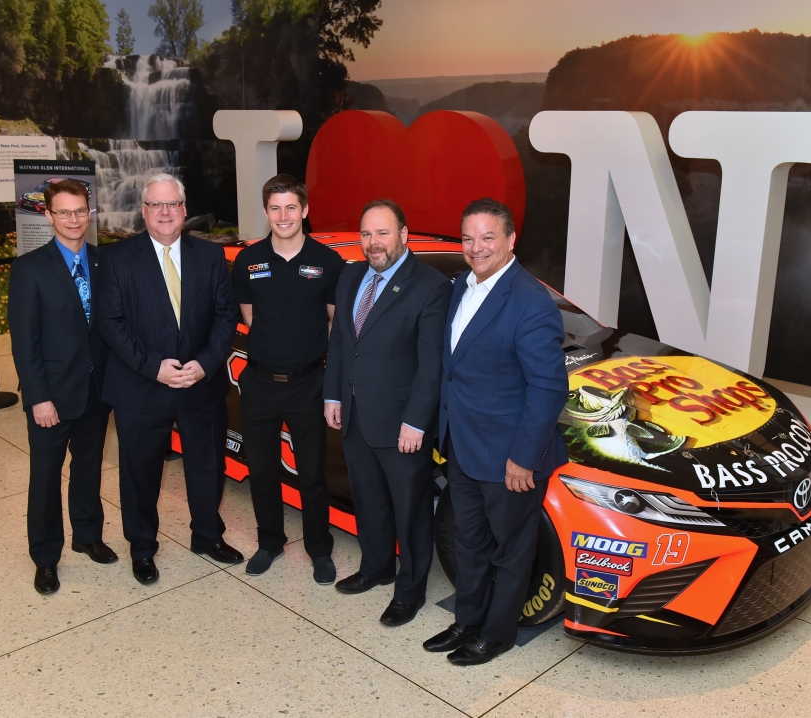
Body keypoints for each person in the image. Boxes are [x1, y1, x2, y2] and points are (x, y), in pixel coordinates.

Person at [423, 198, 568, 666]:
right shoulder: (458, 289)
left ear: (510, 240)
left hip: (510, 459)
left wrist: (524, 457)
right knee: (468, 543)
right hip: (462, 449)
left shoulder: (530, 301)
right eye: (467, 237)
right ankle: (468, 620)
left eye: (487, 237)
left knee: (511, 551)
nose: (476, 247)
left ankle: (498, 633)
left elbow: (548, 388)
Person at [97, 174, 242, 585]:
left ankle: (207, 536)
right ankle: (142, 548)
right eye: (155, 205)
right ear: (144, 212)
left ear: (183, 210)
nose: (164, 212)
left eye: (172, 205)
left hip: (200, 382)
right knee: (140, 473)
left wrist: (207, 363)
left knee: (208, 465)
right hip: (140, 385)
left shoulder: (211, 257)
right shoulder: (117, 259)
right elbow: (110, 322)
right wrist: (153, 367)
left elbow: (225, 315)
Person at [324, 199, 452, 626]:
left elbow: (432, 364)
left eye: (382, 233)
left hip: (403, 426)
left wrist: (416, 421)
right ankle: (376, 567)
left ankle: (410, 590)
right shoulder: (350, 276)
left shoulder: (431, 286)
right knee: (369, 500)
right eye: (366, 234)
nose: (373, 243)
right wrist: (333, 396)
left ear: (403, 234)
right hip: (356, 415)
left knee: (410, 510)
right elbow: (343, 343)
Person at [232, 174, 345, 584]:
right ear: (266, 212)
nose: (283, 216)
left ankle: (319, 548)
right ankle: (269, 543)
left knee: (312, 473)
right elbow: (248, 316)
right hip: (259, 383)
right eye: (275, 208)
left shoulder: (328, 262)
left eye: (291, 207)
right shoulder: (249, 260)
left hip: (307, 383)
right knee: (261, 470)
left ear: (305, 210)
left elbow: (334, 322)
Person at [9, 179, 115, 595]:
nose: (73, 219)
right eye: (64, 212)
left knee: (89, 468)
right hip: (51, 395)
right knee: (46, 476)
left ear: (89, 213)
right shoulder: (29, 269)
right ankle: (46, 556)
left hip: (97, 388)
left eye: (80, 211)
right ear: (49, 215)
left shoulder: (105, 262)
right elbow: (24, 343)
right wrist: (38, 397)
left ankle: (88, 535)